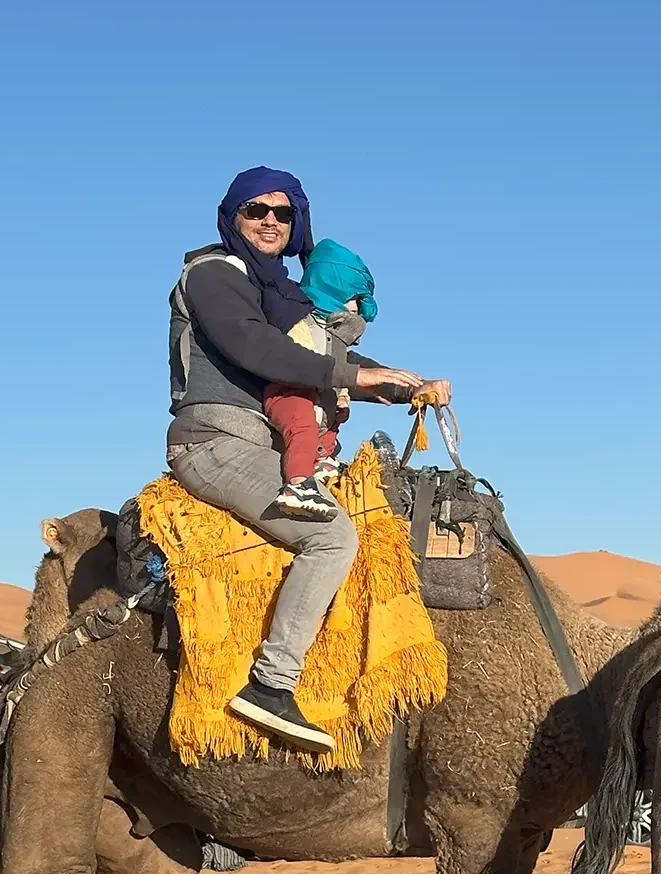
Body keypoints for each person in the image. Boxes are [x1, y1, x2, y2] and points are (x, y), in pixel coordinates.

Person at [166, 167, 450, 753]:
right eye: (256, 210)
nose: (270, 221)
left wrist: (407, 386)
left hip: (268, 448)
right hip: (216, 444)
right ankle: (271, 684)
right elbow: (259, 348)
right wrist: (354, 375)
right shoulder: (214, 275)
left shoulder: (285, 297)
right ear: (232, 217)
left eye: (283, 212)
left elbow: (324, 352)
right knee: (332, 538)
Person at [265, 238, 379, 520]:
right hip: (288, 391)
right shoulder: (301, 323)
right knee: (303, 425)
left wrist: (341, 392)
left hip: (316, 391)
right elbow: (297, 360)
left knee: (333, 416)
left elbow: (337, 368)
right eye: (352, 298)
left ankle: (322, 459)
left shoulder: (336, 335)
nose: (355, 307)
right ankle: (298, 483)